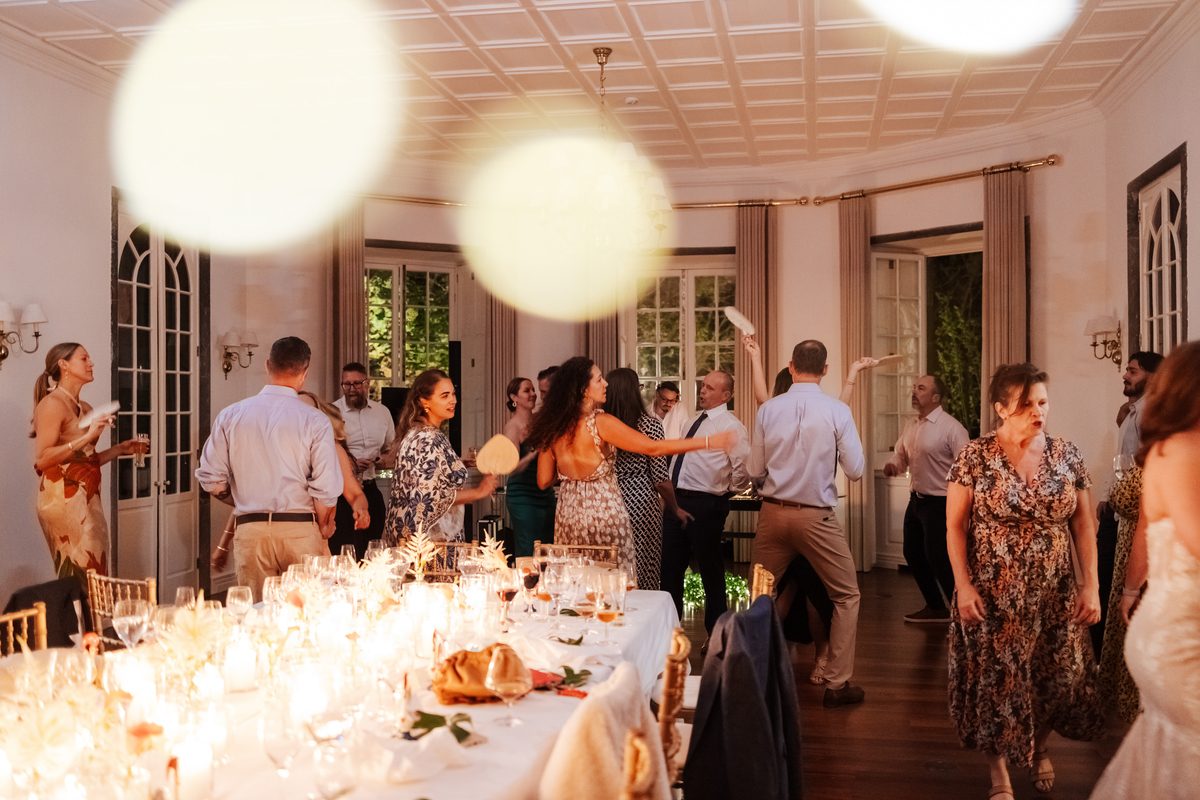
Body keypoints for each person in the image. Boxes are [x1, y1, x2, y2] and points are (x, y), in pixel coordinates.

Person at [946, 363, 1103, 800]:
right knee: (998, 682)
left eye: (1043, 402)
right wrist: (963, 585)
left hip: (1055, 591)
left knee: (1060, 678)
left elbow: (1084, 525)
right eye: (1027, 404)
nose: (1039, 412)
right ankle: (999, 773)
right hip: (993, 592)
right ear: (1001, 408)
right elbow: (954, 526)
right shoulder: (974, 456)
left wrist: (1090, 584)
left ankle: (1039, 745)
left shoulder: (1067, 453)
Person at [1090, 341, 1200, 800]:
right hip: (1183, 638)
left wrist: (1132, 589)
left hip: (1171, 623)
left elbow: (1146, 532)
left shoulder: (1166, 450)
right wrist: (1131, 590)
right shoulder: (1182, 451)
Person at [528, 356, 734, 580]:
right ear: (583, 389)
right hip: (604, 515)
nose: (605, 383)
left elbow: (543, 481)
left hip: (569, 516)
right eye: (599, 380)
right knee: (613, 583)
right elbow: (653, 448)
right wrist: (707, 442)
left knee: (575, 582)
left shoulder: (553, 427)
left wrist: (571, 472)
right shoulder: (600, 422)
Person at [749, 339, 866, 708]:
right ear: (825, 370)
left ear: (791, 366)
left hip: (772, 514)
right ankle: (837, 683)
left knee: (760, 594)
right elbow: (857, 470)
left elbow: (754, 469)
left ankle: (754, 675)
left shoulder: (768, 410)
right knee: (846, 595)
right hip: (816, 518)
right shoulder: (837, 411)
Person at [195, 337, 343, 601]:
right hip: (300, 530)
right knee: (306, 613)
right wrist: (324, 526)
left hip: (251, 530)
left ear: (267, 365)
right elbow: (325, 489)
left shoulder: (231, 415)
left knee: (258, 615)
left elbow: (211, 480)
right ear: (305, 371)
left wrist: (244, 500)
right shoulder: (315, 420)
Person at [210, 389, 370, 575]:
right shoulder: (271, 451)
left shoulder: (332, 449)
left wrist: (361, 510)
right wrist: (223, 545)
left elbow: (355, 494)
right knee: (265, 594)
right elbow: (247, 504)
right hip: (264, 542)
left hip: (313, 537)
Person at [31, 343, 147, 584]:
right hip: (62, 500)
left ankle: (90, 611)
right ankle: (79, 611)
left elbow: (86, 462)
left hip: (88, 497)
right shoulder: (51, 404)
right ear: (64, 365)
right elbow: (42, 459)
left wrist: (120, 449)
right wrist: (87, 436)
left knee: (97, 570)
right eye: (84, 359)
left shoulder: (85, 408)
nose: (91, 363)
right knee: (80, 574)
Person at [661, 369, 750, 640]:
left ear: (726, 395)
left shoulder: (731, 426)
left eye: (710, 388)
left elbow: (742, 468)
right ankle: (669, 632)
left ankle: (716, 634)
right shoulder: (690, 422)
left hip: (706, 504)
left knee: (710, 570)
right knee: (670, 569)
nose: (702, 390)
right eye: (702, 385)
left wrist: (726, 489)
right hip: (677, 502)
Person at [882, 374, 969, 623]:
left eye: (921, 388)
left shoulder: (952, 428)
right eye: (914, 387)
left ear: (935, 397)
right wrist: (894, 465)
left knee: (938, 557)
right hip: (916, 501)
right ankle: (936, 607)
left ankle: (963, 612)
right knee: (912, 553)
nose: (914, 391)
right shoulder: (912, 426)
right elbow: (901, 455)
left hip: (941, 502)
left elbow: (967, 469)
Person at [1092, 351, 1162, 656]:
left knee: (1110, 581)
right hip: (1119, 508)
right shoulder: (1130, 412)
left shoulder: (1150, 415)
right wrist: (1107, 495)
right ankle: (1104, 652)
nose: (1125, 376)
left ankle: (1108, 654)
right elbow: (1121, 461)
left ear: (1153, 377)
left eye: (1133, 371)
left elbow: (1145, 469)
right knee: (1104, 579)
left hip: (1135, 513)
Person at [382, 369, 498, 545]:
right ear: (424, 402)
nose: (453, 400)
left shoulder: (421, 433)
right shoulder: (426, 438)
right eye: (444, 396)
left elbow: (428, 476)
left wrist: (459, 464)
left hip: (418, 538)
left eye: (453, 393)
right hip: (429, 543)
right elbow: (430, 497)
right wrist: (480, 490)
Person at [605, 368, 689, 590]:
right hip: (641, 504)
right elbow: (660, 477)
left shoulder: (601, 426)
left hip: (609, 500)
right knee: (642, 566)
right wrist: (675, 507)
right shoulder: (649, 426)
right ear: (634, 391)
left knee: (612, 566)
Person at [332, 361, 394, 559]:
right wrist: (349, 464)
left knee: (373, 549)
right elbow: (323, 452)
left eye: (357, 384)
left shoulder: (382, 413)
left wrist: (382, 459)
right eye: (347, 384)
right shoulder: (332, 412)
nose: (352, 389)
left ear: (367, 383)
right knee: (346, 552)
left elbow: (391, 449)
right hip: (342, 494)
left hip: (371, 487)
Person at [503, 376, 557, 557]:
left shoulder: (539, 421)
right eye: (527, 390)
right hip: (523, 496)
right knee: (529, 549)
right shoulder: (512, 427)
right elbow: (511, 467)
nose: (533, 394)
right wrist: (533, 454)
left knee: (549, 548)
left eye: (534, 390)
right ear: (514, 398)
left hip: (546, 493)